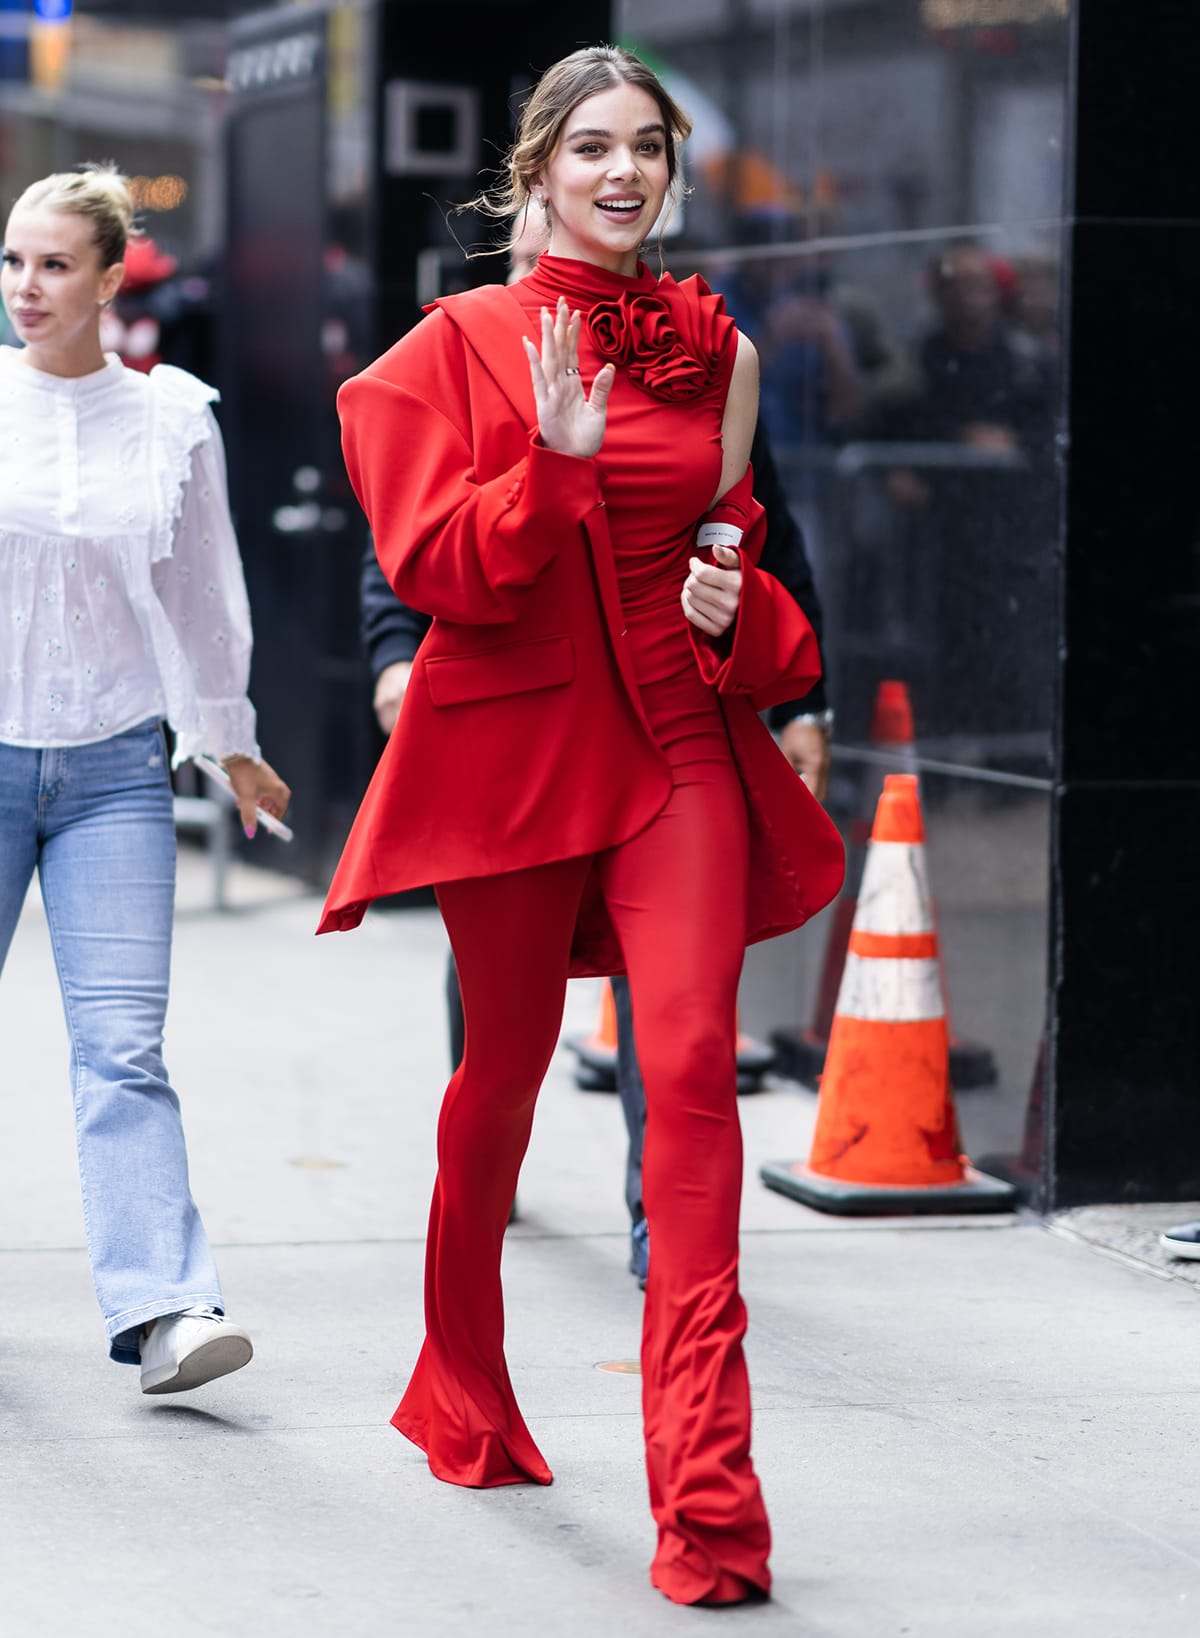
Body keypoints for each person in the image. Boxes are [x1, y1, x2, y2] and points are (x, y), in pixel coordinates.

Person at [320, 47, 843, 1606]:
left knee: (688, 1079)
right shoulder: (451, 349)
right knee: (501, 1075)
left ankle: (708, 1503)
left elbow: (748, 582)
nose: (627, 171)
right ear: (538, 171)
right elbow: (443, 574)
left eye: (651, 147)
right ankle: (460, 1376)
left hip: (678, 747)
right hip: (515, 753)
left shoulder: (718, 353)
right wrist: (549, 466)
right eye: (596, 146)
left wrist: (731, 609)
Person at [0, 165, 290, 1392]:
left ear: (115, 279)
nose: (26, 287)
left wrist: (228, 742)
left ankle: (167, 1310)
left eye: (56, 264)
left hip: (118, 767)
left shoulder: (172, 417)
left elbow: (202, 598)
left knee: (122, 1047)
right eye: (13, 261)